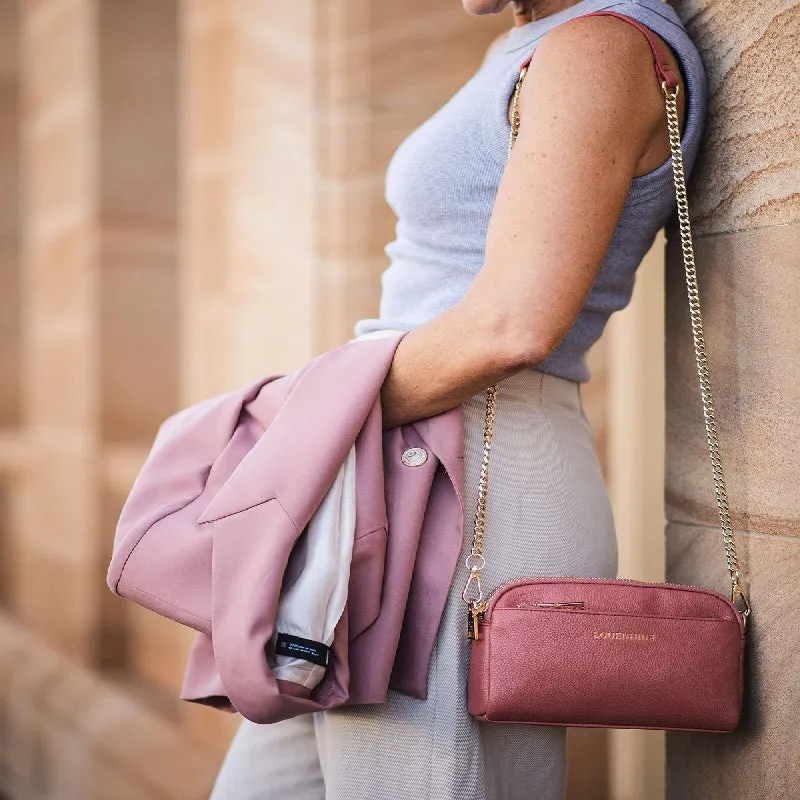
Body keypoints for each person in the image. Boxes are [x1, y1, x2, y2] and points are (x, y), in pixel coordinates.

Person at [209, 0, 705, 798]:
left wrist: (304, 422)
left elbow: (514, 324)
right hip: (407, 450)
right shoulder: (532, 41)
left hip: (473, 471)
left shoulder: (600, 48)